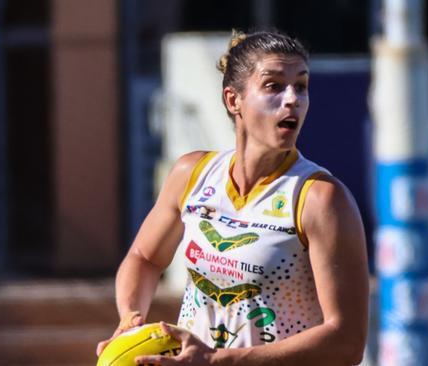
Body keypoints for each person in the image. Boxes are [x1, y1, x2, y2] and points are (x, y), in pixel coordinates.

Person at [97, 29, 369, 366]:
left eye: (301, 86)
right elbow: (145, 257)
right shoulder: (192, 174)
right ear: (232, 100)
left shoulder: (320, 198)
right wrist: (131, 317)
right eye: (273, 86)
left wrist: (220, 360)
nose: (292, 99)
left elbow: (347, 341)